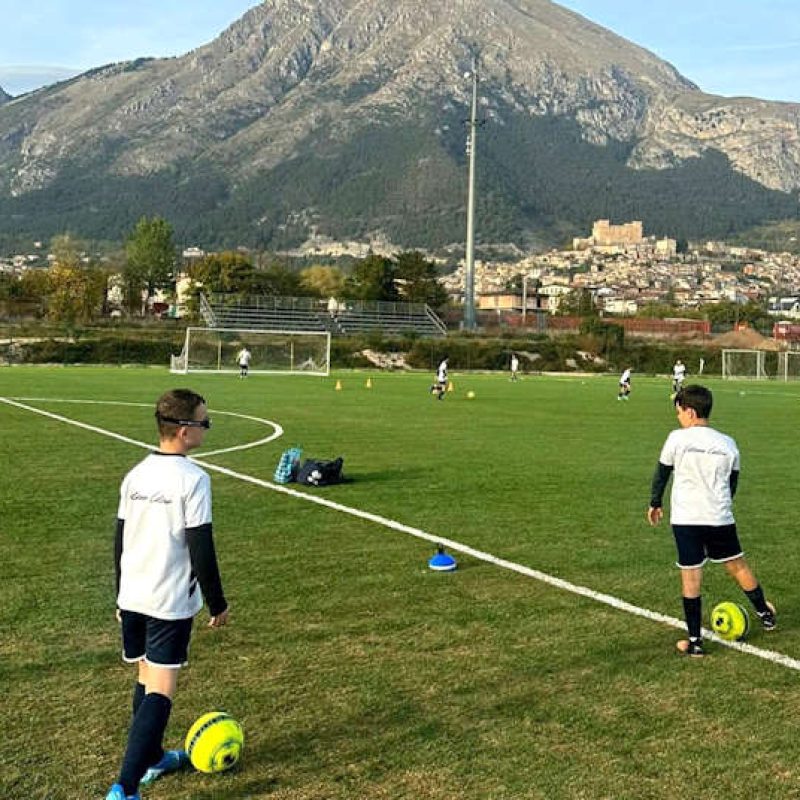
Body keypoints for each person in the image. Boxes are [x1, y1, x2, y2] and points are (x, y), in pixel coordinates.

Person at [106, 389, 229, 800]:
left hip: (134, 594)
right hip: (168, 600)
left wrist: (119, 594)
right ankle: (124, 788)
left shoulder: (136, 474)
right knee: (161, 687)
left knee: (145, 675)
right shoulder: (194, 479)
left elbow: (119, 539)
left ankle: (154, 757)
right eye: (204, 422)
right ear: (183, 430)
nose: (207, 429)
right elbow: (201, 547)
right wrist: (218, 603)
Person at [647, 385, 775, 658]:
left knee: (691, 576)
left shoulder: (677, 439)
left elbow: (662, 473)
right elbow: (732, 483)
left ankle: (695, 642)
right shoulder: (728, 443)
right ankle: (765, 614)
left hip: (687, 518)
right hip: (719, 517)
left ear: (690, 412)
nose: (678, 417)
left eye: (679, 411)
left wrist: (655, 502)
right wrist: (722, 506)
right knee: (738, 566)